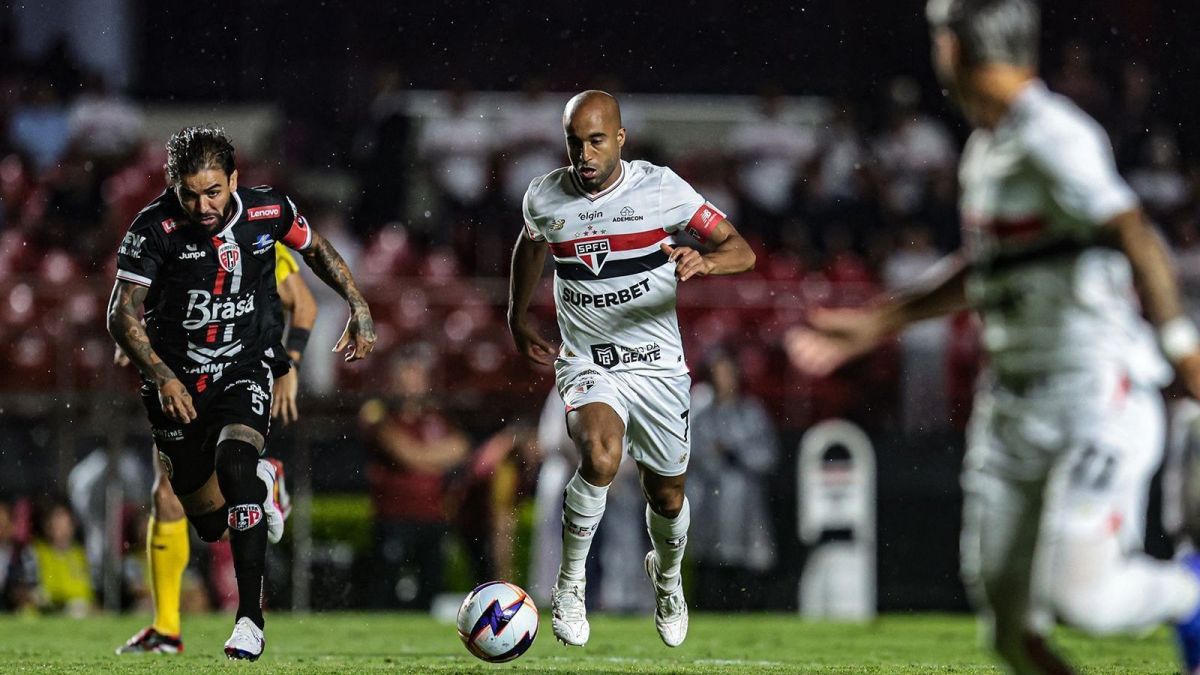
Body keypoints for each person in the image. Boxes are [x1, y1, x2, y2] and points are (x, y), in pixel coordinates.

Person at [788, 1, 1200, 672]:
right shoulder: (988, 146)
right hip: (1010, 406)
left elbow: (1134, 231)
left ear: (956, 50)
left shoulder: (1053, 135)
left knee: (1083, 598)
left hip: (1091, 391)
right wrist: (878, 322)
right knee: (1010, 634)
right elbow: (987, 267)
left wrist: (1182, 346)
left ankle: (1190, 593)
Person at [106, 125, 375, 660]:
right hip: (178, 383)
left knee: (234, 463)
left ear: (233, 178)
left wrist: (358, 306)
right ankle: (267, 480)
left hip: (244, 366)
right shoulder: (151, 229)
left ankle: (249, 620)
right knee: (208, 522)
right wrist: (161, 373)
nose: (203, 206)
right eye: (190, 194)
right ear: (173, 187)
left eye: (213, 191)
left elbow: (316, 251)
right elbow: (120, 312)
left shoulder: (266, 212)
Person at [508, 90, 756, 648]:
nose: (584, 155)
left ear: (620, 138)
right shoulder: (545, 195)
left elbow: (742, 250)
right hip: (588, 361)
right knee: (598, 453)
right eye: (575, 143)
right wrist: (517, 316)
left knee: (667, 497)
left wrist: (705, 259)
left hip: (659, 368)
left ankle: (667, 580)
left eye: (596, 141)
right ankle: (569, 586)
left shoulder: (662, 188)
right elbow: (531, 246)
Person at [115, 241, 318, 655]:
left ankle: (261, 481)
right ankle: (166, 628)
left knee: (227, 478)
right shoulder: (170, 237)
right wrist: (134, 337)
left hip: (234, 382)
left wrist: (289, 364)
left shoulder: (252, 235)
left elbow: (304, 303)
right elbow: (147, 298)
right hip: (180, 378)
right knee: (185, 508)